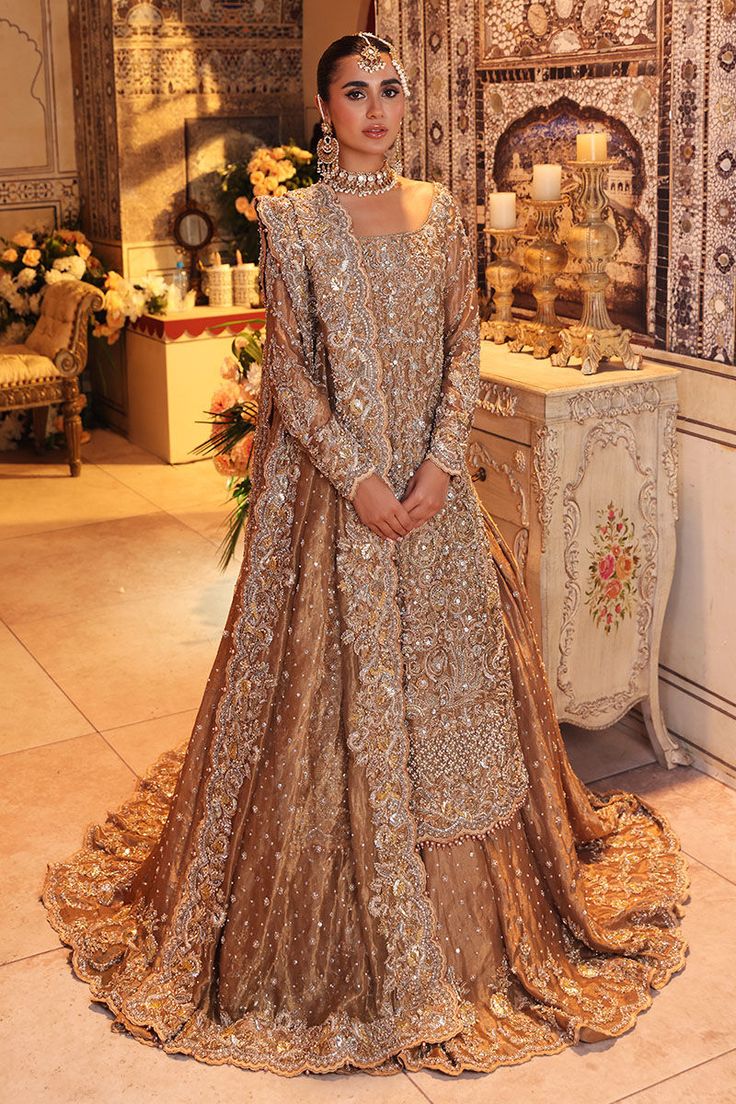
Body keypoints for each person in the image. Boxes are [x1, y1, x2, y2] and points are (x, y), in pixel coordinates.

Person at [41, 31, 689, 1078]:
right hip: (335, 504)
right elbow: (290, 376)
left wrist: (435, 470)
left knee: (460, 701)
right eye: (357, 92)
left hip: (429, 506)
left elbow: (458, 347)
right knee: (314, 699)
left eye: (390, 90)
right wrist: (363, 483)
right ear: (325, 108)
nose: (378, 108)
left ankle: (474, 928)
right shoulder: (290, 219)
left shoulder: (439, 216)